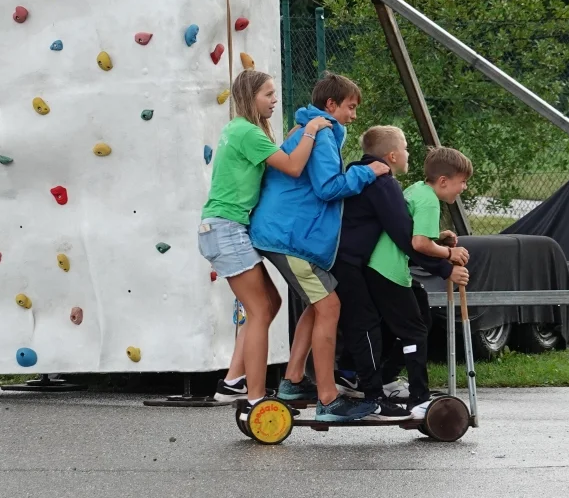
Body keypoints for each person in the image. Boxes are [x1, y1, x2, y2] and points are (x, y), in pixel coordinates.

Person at [249, 73, 389, 423]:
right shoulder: (323, 133)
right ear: (331, 105)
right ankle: (328, 399)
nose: (354, 115)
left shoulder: (313, 129)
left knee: (318, 305)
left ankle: (294, 380)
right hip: (288, 237)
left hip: (288, 234)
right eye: (350, 107)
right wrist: (369, 172)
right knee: (330, 306)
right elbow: (329, 187)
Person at [198, 70, 334, 407]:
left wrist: (295, 136)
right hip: (226, 229)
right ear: (250, 97)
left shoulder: (239, 129)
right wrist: (311, 130)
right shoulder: (248, 132)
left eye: (274, 93)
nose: (275, 100)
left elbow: (275, 161)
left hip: (224, 228)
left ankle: (233, 382)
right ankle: (256, 397)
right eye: (268, 95)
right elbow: (292, 167)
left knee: (270, 303)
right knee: (260, 310)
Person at [336, 132, 473, 420]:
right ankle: (418, 399)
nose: (464, 188)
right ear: (443, 181)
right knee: (414, 331)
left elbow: (410, 230)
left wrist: (439, 239)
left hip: (379, 267)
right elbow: (418, 243)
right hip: (388, 270)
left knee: (416, 318)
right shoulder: (428, 201)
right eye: (462, 182)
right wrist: (448, 262)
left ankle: (387, 378)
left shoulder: (415, 190)